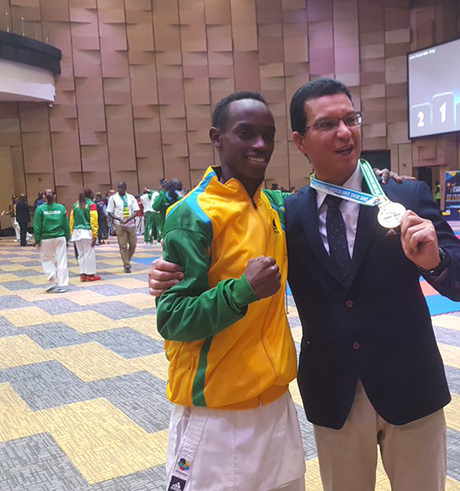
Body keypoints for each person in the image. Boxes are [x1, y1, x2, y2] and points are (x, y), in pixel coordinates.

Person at [150, 79, 460, 490]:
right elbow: (213, 252)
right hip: (334, 395)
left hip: (412, 389)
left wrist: (436, 263)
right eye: (327, 124)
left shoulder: (404, 196)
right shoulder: (288, 212)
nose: (345, 132)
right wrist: (165, 272)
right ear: (300, 141)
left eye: (351, 120)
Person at [155, 91, 304, 490]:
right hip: (215, 416)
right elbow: (171, 319)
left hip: (276, 406)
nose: (260, 145)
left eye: (268, 135)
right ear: (216, 137)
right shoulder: (192, 214)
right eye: (246, 133)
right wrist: (240, 292)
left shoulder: (274, 207)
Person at [33, 189, 70, 293]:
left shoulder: (40, 209)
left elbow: (37, 226)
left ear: (44, 197)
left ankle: (51, 277)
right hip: (60, 237)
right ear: (55, 196)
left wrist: (37, 240)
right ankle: (63, 284)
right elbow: (66, 224)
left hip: (46, 238)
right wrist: (67, 238)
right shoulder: (61, 208)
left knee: (45, 259)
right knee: (62, 260)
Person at [107, 181, 140, 273]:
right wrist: (118, 218)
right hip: (119, 224)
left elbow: (136, 211)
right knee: (123, 246)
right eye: (118, 187)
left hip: (130, 224)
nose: (120, 189)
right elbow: (110, 212)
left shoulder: (131, 198)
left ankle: (127, 260)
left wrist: (128, 219)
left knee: (133, 245)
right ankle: (127, 266)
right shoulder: (113, 198)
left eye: (121, 188)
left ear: (125, 189)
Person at [70, 188, 100, 282]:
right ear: (90, 194)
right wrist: (95, 234)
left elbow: (71, 219)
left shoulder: (75, 205)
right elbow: (93, 220)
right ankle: (90, 274)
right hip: (87, 232)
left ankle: (82, 274)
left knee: (81, 253)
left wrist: (72, 231)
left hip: (76, 231)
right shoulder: (91, 205)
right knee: (89, 253)